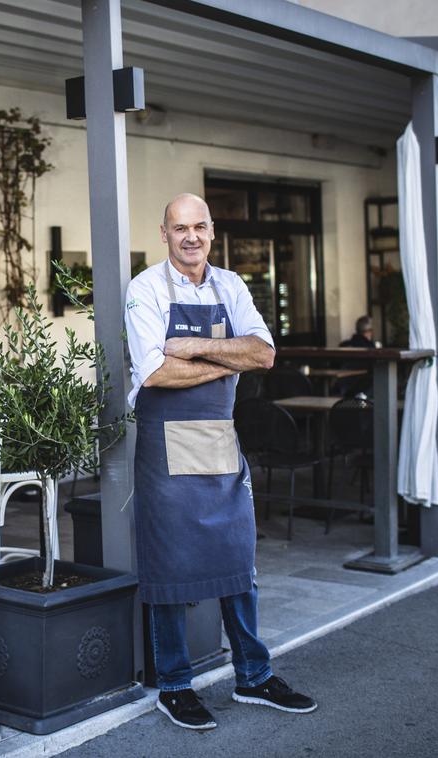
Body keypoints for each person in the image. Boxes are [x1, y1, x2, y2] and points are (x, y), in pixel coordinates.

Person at [124, 193, 317, 730]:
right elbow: (154, 374)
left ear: (213, 231)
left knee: (238, 560)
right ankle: (175, 686)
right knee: (168, 566)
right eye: (179, 227)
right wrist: (223, 358)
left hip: (218, 438)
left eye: (199, 227)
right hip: (164, 444)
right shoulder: (145, 288)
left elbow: (264, 353)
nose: (190, 237)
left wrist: (186, 347)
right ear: (164, 234)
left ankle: (254, 676)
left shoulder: (231, 285)